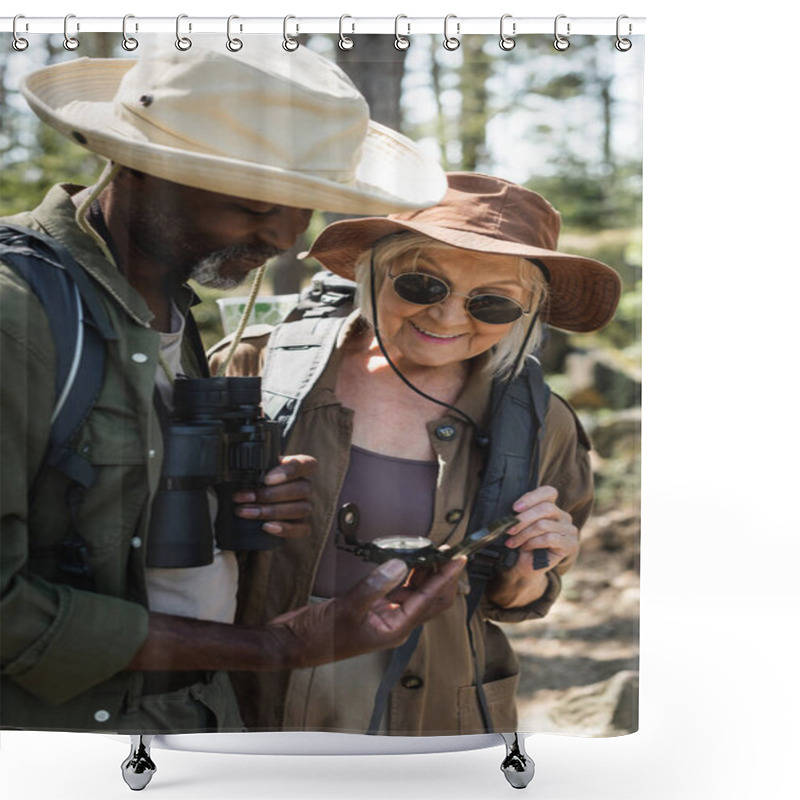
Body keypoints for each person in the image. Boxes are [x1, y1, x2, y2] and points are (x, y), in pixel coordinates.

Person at [0, 42, 464, 736]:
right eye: (251, 205)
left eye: (306, 206)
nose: (284, 236)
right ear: (139, 166)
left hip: (191, 718)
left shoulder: (167, 305)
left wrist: (234, 499)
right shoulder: (20, 315)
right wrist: (278, 648)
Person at [210, 172, 622, 735]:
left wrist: (531, 566)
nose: (447, 318)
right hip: (251, 691)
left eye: (493, 303)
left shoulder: (539, 426)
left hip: (433, 710)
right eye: (422, 286)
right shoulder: (255, 368)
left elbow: (512, 600)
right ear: (373, 270)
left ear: (527, 312)